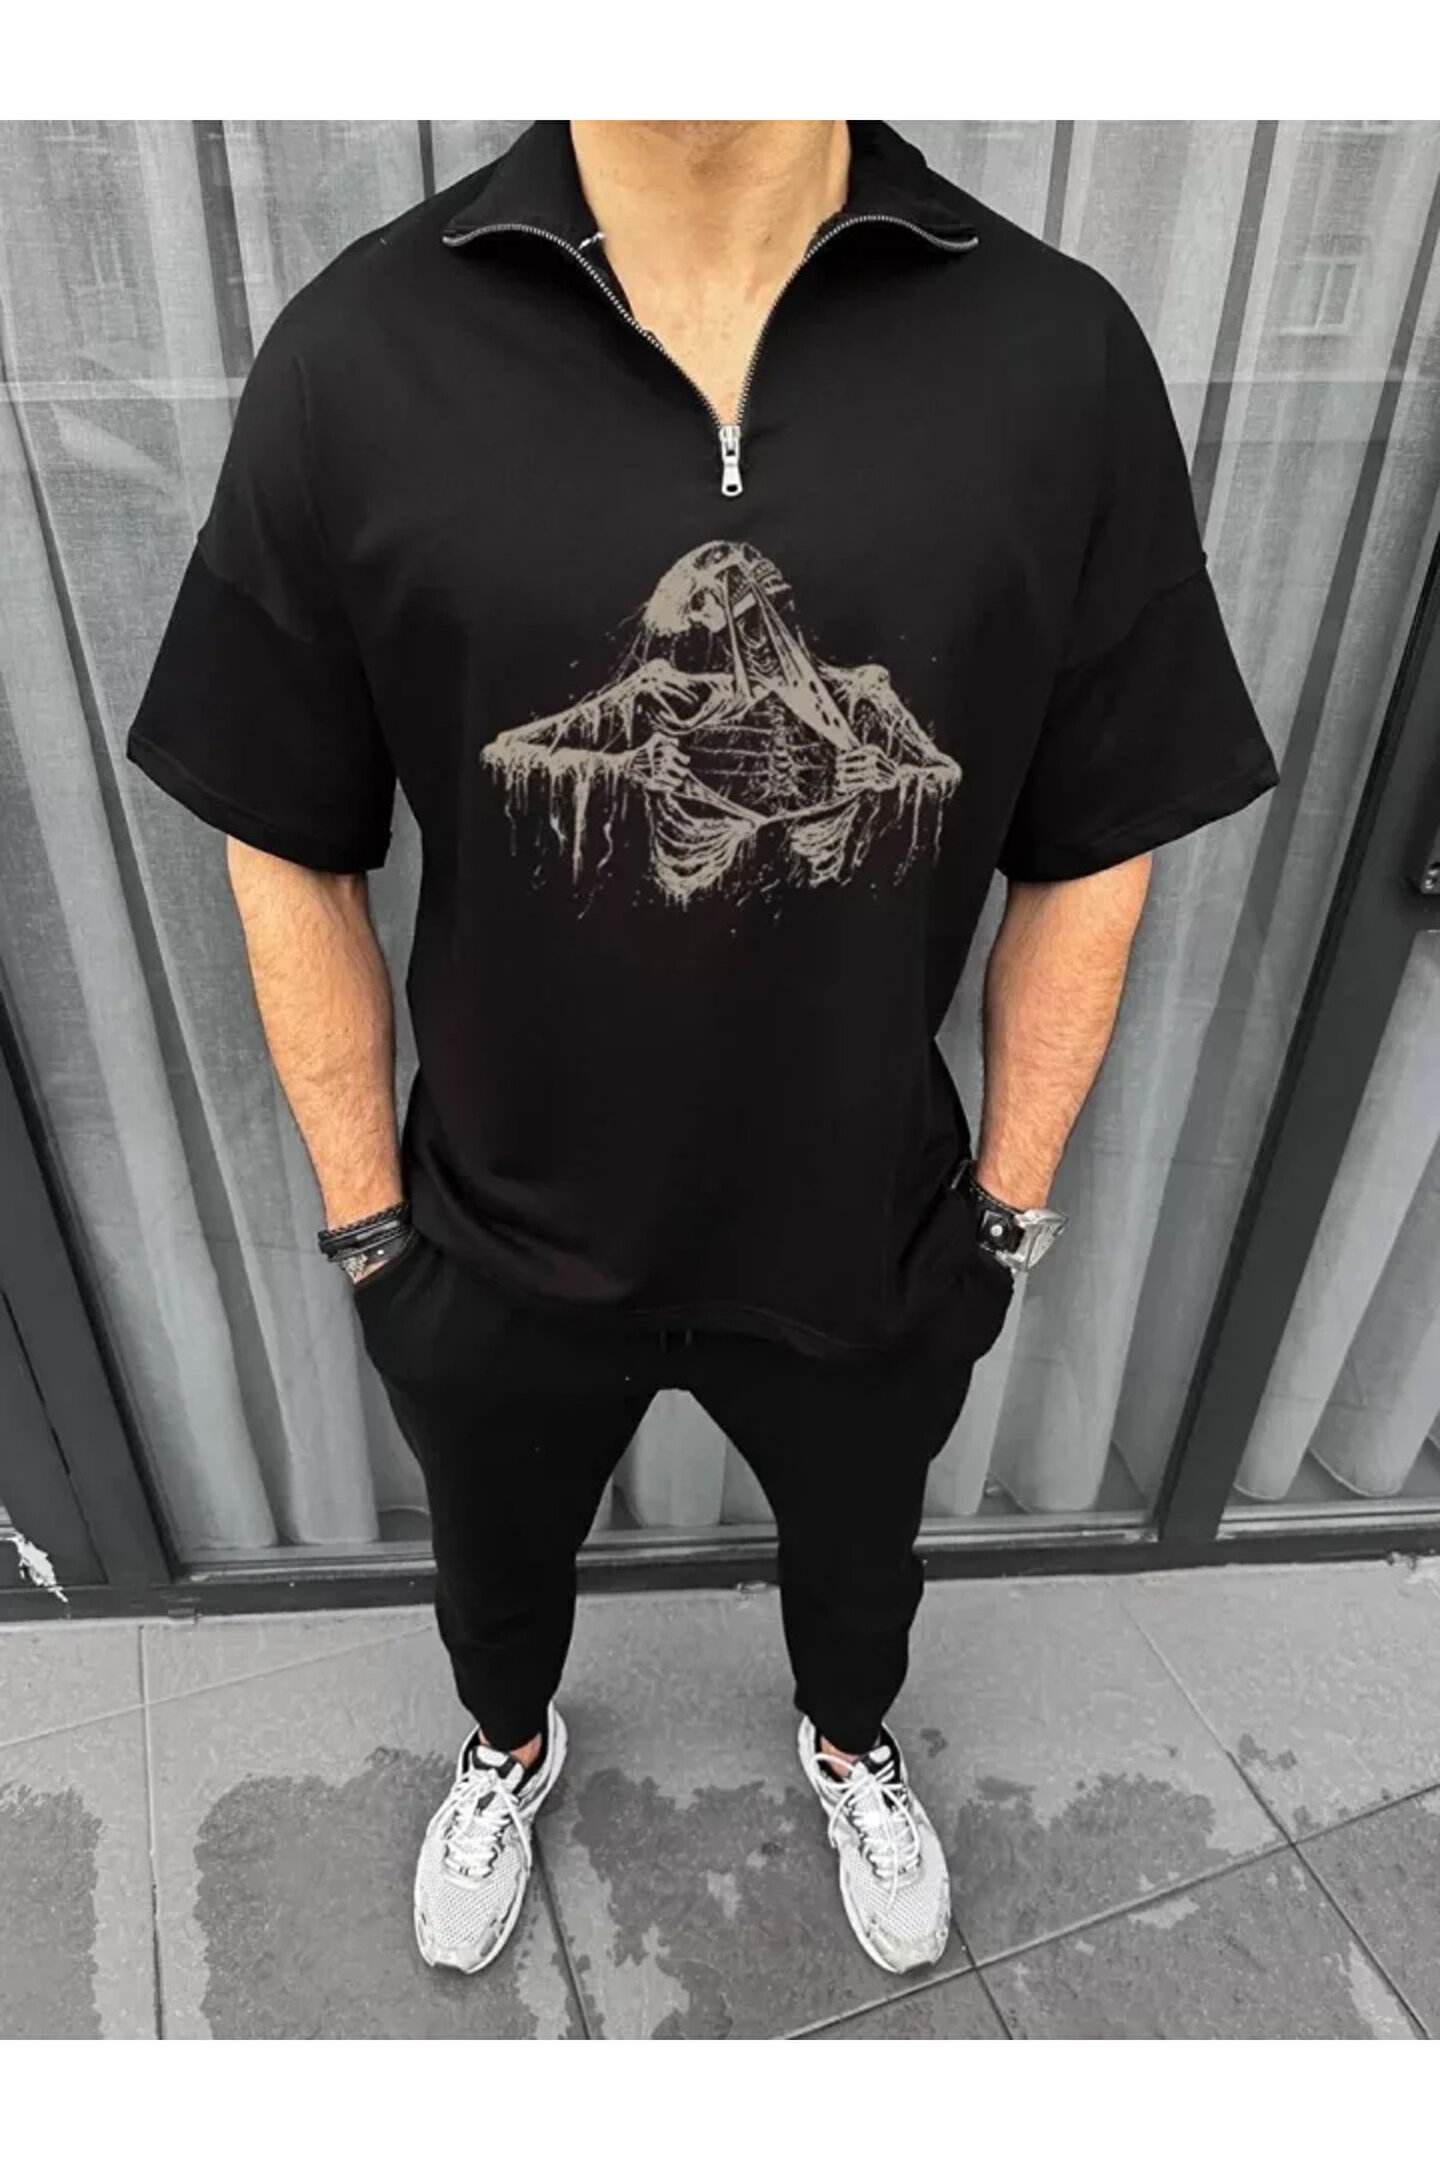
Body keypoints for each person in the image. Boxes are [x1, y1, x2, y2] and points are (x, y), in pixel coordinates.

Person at [126, 119, 1280, 1978]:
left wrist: (1004, 1218)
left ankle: (850, 1744)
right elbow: (283, 833)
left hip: (868, 1227)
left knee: (864, 1573)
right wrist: (370, 1235)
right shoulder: (361, 355)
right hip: (498, 1233)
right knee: (493, 1578)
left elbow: (1098, 839)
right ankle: (508, 1749)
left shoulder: (1054, 357)